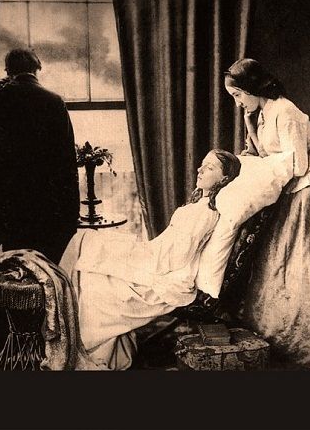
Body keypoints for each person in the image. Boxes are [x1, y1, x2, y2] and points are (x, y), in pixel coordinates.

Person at [60, 149, 241, 369]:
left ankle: (70, 335)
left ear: (224, 179)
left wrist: (136, 257)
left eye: (209, 167)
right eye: (202, 164)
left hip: (166, 270)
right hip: (155, 255)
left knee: (90, 254)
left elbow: (177, 257)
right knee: (87, 242)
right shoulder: (199, 205)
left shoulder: (206, 213)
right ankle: (67, 329)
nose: (199, 169)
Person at [224, 58, 310, 370]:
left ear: (251, 88)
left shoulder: (285, 110)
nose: (237, 103)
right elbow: (264, 153)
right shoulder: (262, 112)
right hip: (292, 182)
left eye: (238, 96)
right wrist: (250, 125)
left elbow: (299, 165)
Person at [0, 48, 80, 264]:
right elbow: (66, 161)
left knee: (16, 264)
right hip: (47, 202)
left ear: (8, 71)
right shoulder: (55, 101)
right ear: (37, 68)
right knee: (45, 265)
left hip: (11, 200)